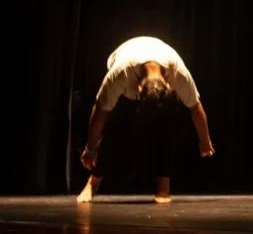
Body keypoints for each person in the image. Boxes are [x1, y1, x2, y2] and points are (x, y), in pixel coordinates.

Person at [77, 36, 214, 204]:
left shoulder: (178, 73)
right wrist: (90, 149)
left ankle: (163, 187)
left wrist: (204, 140)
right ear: (138, 88)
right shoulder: (121, 74)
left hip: (156, 62)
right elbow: (100, 110)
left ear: (168, 85)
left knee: (167, 125)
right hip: (125, 62)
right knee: (114, 127)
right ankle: (92, 183)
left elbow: (195, 106)